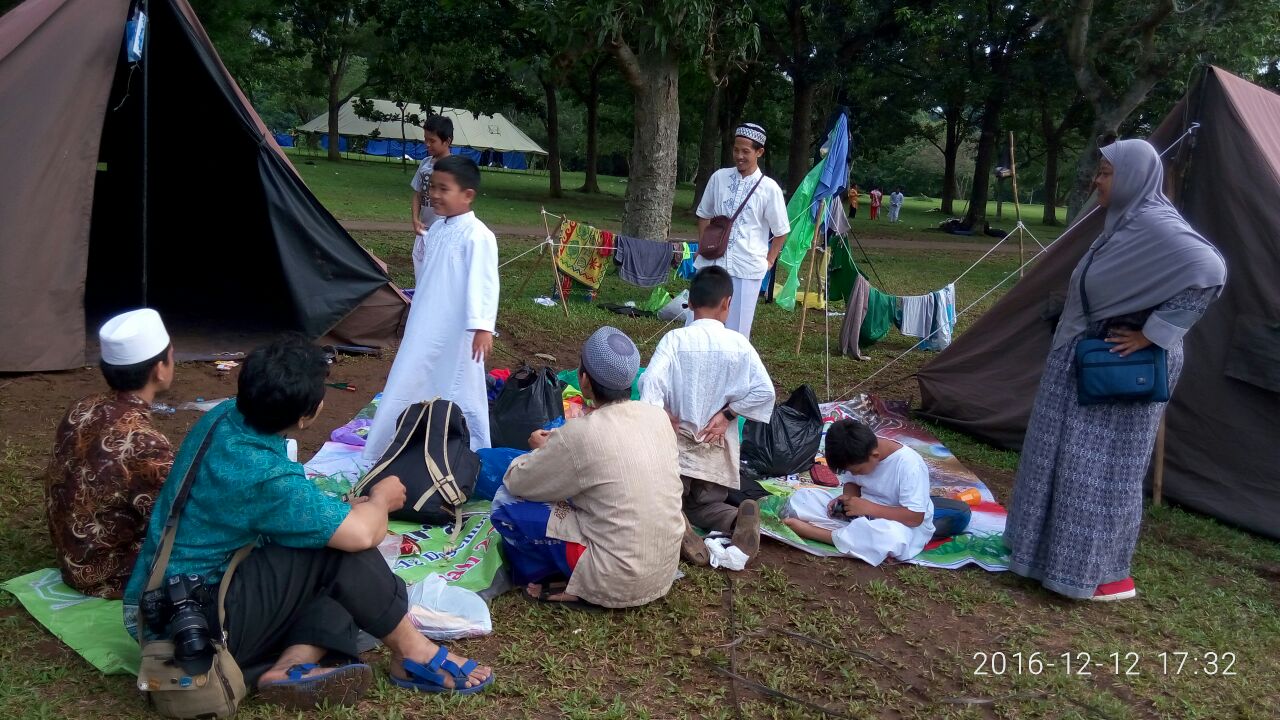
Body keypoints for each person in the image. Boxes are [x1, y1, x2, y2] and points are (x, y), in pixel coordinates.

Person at [123, 336, 493, 710]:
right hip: (196, 627)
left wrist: (339, 513)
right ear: (307, 416)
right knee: (344, 554)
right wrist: (381, 499)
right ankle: (413, 652)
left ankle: (291, 665)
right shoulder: (264, 476)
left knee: (336, 561)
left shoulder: (223, 417)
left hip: (166, 599)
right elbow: (363, 533)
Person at [1005, 139, 1226, 602]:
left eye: (1106, 173)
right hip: (1088, 354)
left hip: (1121, 364)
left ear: (1132, 178)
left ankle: (1099, 575)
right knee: (1057, 458)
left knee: (1096, 470)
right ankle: (1040, 558)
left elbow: (1210, 270)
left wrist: (1153, 334)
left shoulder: (1157, 224)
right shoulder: (1125, 222)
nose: (1097, 181)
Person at [493, 327, 684, 609]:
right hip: (663, 571)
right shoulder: (656, 417)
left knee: (504, 503)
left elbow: (518, 482)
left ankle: (568, 581)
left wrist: (540, 450)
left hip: (617, 580)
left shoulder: (580, 433)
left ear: (584, 380)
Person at [639, 267, 776, 565]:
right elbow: (765, 392)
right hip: (714, 452)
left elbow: (649, 384)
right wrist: (728, 414)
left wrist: (662, 415)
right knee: (706, 505)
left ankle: (677, 524)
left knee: (662, 501)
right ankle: (734, 519)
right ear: (727, 303)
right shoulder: (739, 345)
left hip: (675, 452)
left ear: (690, 302)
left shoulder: (675, 340)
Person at [365, 155, 498, 459]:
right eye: (432, 187)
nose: (434, 195)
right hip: (425, 323)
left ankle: (469, 451)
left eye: (443, 189)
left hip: (459, 331)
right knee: (408, 378)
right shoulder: (435, 230)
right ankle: (388, 447)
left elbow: (485, 282)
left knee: (461, 387)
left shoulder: (478, 236)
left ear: (467, 195)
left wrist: (482, 326)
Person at [45, 309, 175, 599]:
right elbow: (176, 516)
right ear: (159, 369)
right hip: (104, 573)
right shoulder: (145, 442)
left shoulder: (82, 406)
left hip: (70, 555)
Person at [780, 420, 935, 565]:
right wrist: (848, 498)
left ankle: (818, 533)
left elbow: (915, 518)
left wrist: (869, 508)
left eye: (858, 471)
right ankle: (851, 537)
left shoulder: (909, 465)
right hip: (861, 514)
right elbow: (852, 483)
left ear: (875, 456)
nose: (854, 474)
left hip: (902, 524)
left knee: (892, 537)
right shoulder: (857, 451)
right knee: (803, 497)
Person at [694, 122, 791, 340]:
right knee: (698, 327)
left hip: (746, 268)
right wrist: (703, 246)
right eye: (736, 150)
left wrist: (769, 260)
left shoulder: (769, 188)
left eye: (745, 151)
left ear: (759, 152)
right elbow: (704, 214)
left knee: (736, 334)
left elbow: (781, 230)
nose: (739, 156)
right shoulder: (719, 178)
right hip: (712, 263)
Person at [410, 115, 455, 286]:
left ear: (447, 141)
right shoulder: (425, 163)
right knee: (421, 275)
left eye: (432, 140)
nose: (427, 144)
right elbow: (417, 194)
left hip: (444, 233)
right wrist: (415, 219)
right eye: (425, 139)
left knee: (439, 277)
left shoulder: (455, 168)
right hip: (424, 230)